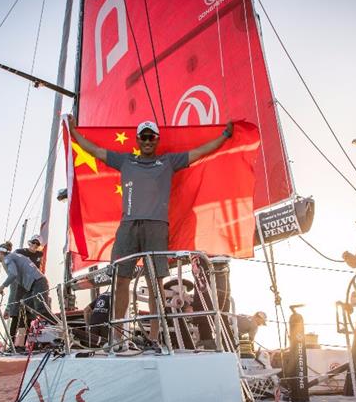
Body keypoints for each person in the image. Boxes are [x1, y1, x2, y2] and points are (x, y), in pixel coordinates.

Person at [67, 114, 233, 347]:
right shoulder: (125, 161)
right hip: (128, 227)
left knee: (155, 281)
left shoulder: (167, 162)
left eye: (151, 137)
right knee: (120, 279)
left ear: (156, 140)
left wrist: (224, 136)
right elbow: (94, 151)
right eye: (143, 137)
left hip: (156, 227)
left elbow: (199, 152)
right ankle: (116, 339)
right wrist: (74, 133)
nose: (147, 141)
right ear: (137, 140)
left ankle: (155, 338)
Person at [0, 244, 51, 321]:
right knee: (24, 309)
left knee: (42, 311)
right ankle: (24, 332)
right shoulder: (15, 256)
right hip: (36, 283)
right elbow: (14, 284)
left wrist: (2, 287)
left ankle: (58, 325)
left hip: (37, 282)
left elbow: (13, 274)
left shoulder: (7, 258)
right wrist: (8, 309)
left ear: (1, 253)